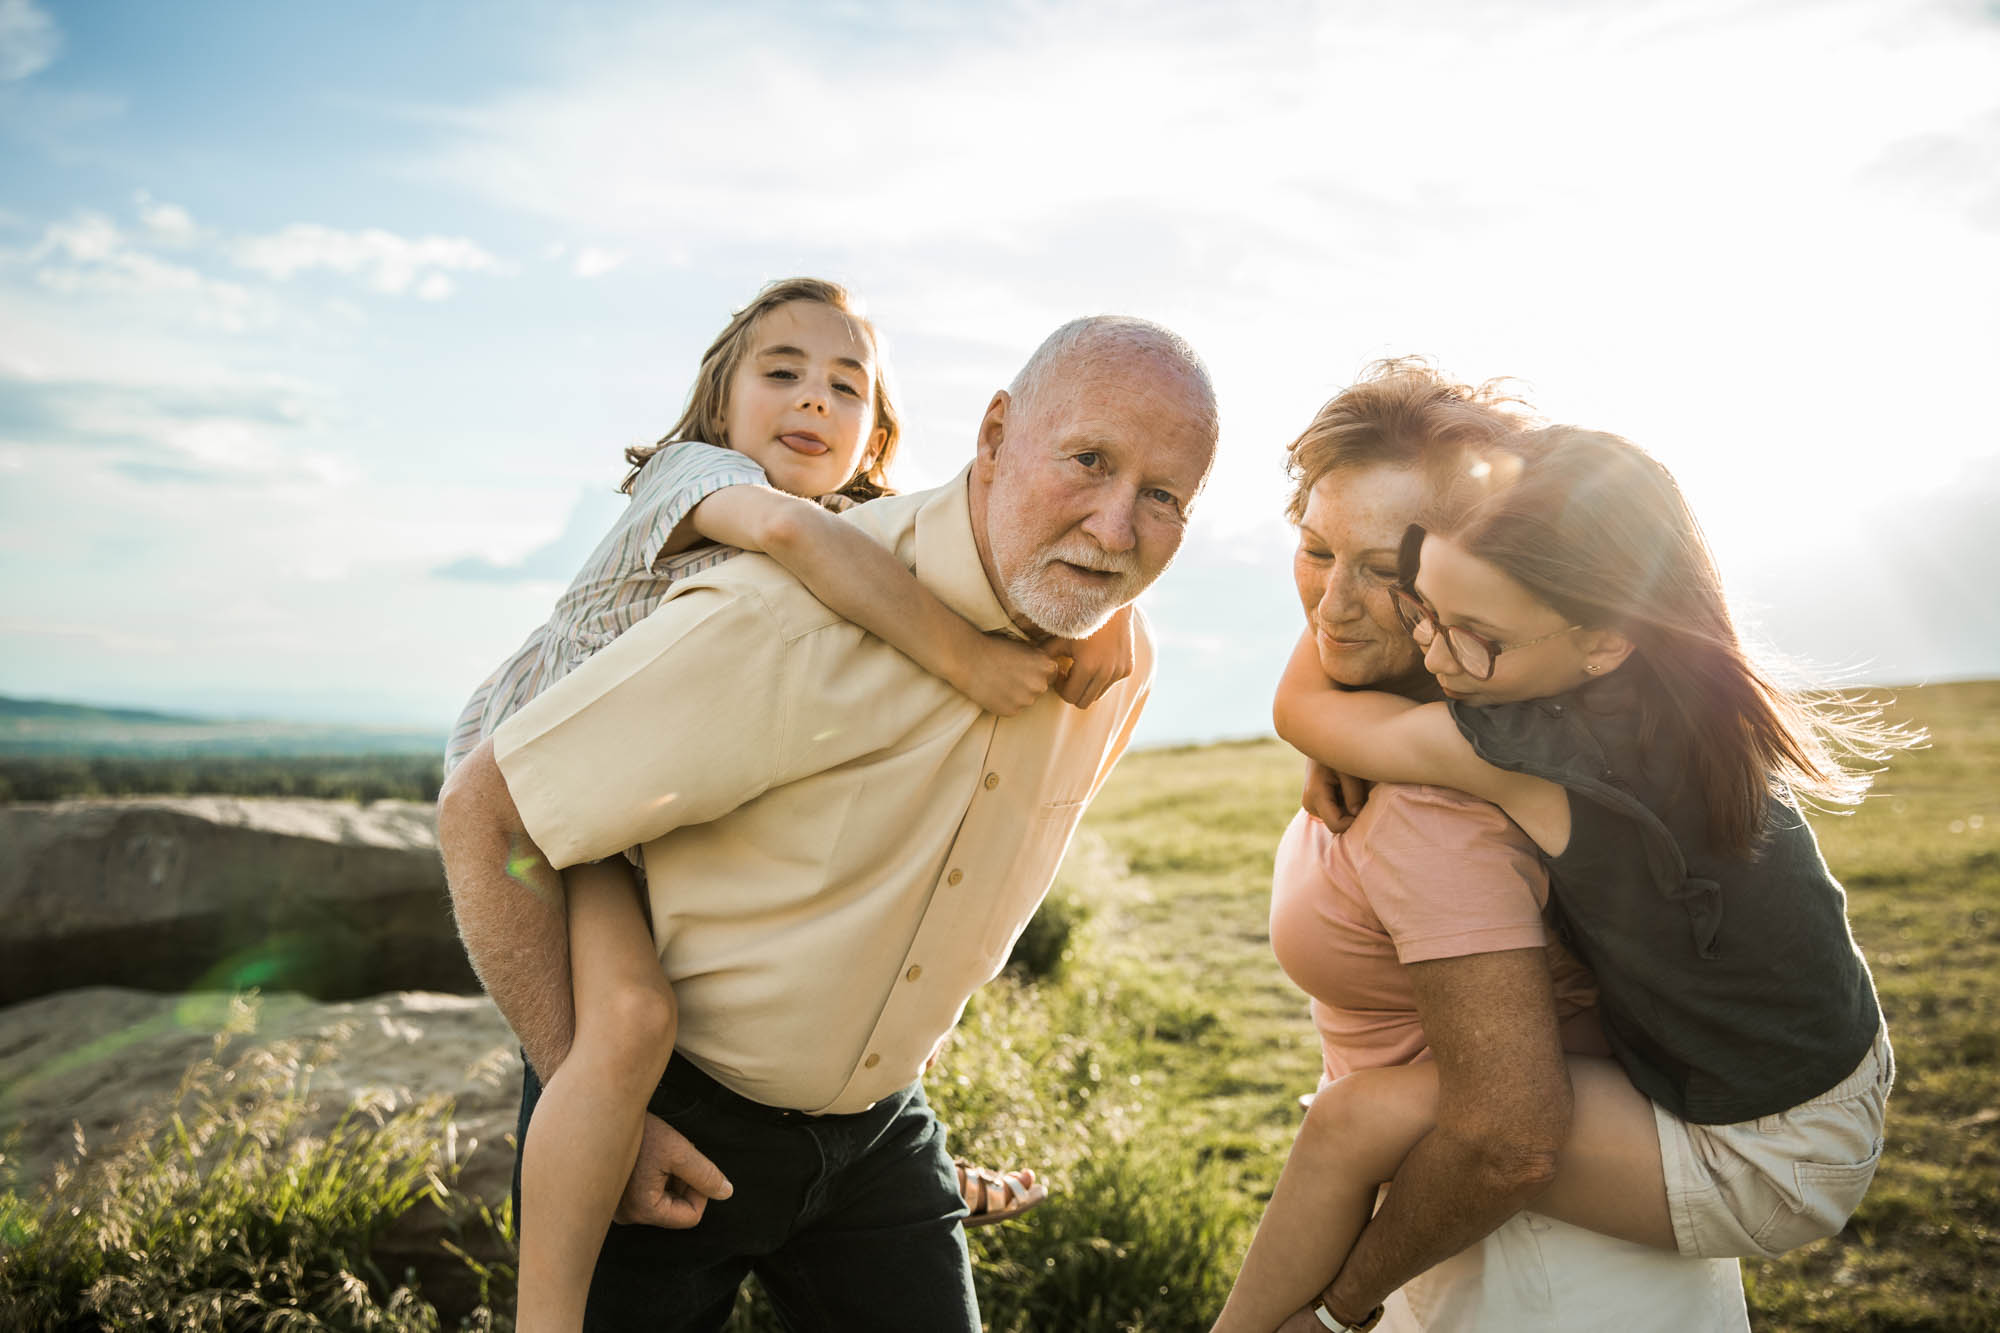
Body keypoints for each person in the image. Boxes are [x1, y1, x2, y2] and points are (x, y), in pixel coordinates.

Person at [436, 313, 1218, 1333]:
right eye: (1086, 462)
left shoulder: (1115, 659)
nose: (1116, 530)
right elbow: (487, 814)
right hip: (668, 1114)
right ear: (993, 434)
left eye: (1160, 497)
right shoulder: (779, 613)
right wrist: (589, 1085)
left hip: (881, 1141)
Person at [1215, 362, 1751, 1333]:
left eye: (1381, 570)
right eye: (1311, 548)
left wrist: (1335, 1309)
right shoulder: (1396, 714)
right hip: (1462, 1230)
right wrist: (1322, 723)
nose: (1329, 606)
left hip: (1540, 1272)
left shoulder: (1435, 797)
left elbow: (1507, 1136)